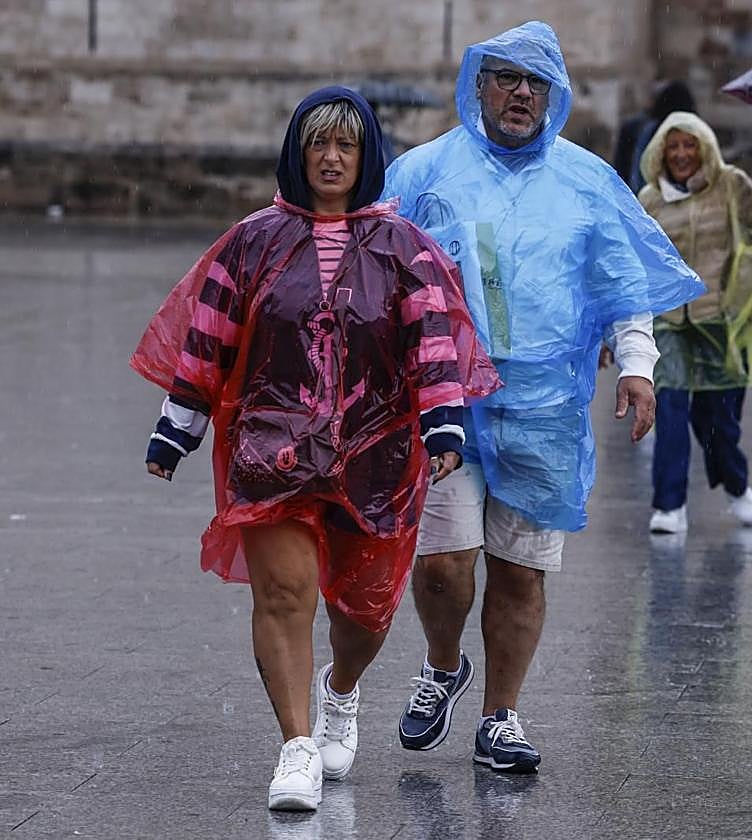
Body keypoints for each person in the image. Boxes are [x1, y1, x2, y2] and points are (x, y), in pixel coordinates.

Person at [130, 87, 499, 810]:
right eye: (318, 144)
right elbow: (209, 336)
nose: (331, 158)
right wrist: (177, 425)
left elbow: (433, 344)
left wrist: (443, 424)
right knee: (284, 594)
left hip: (376, 459)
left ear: (367, 158)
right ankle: (295, 748)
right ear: (298, 154)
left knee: (363, 612)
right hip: (272, 450)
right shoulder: (252, 241)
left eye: (346, 145)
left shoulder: (403, 250)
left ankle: (341, 686)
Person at [381, 21, 703, 773]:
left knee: (520, 568)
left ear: (553, 97)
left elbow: (623, 284)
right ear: (478, 85)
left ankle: (501, 716)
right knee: (442, 565)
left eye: (536, 83)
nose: (521, 93)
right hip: (445, 398)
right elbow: (380, 276)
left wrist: (635, 364)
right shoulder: (427, 172)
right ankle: (441, 665)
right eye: (505, 78)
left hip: (544, 404)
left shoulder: (586, 179)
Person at [636, 111, 752, 534]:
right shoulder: (648, 200)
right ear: (661, 153)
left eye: (690, 145)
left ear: (705, 148)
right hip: (667, 322)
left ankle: (737, 483)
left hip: (720, 324)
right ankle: (669, 505)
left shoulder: (731, 186)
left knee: (717, 424)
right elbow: (629, 260)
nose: (682, 154)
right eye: (674, 146)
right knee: (668, 407)